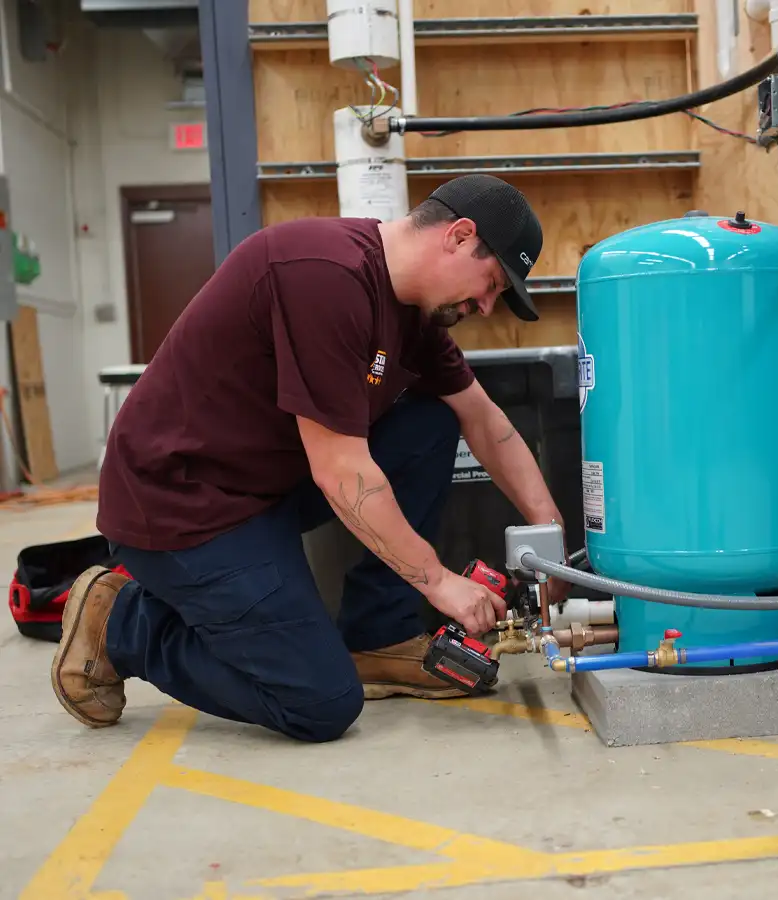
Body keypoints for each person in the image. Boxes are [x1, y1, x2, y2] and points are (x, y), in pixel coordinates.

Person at [50, 173, 570, 742]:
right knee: (319, 702)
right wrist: (439, 583)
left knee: (431, 421)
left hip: (260, 492)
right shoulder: (324, 277)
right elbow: (341, 469)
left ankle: (379, 634)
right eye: (492, 283)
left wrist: (550, 534)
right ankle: (120, 622)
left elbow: (484, 420)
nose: (487, 305)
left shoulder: (412, 313)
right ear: (459, 235)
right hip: (182, 508)